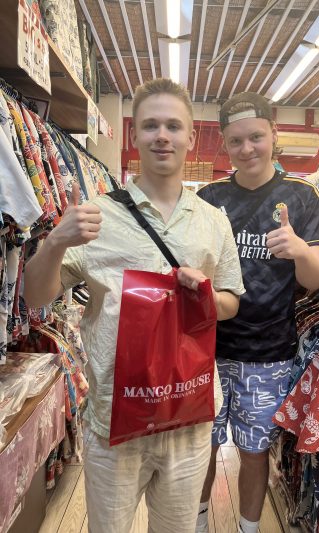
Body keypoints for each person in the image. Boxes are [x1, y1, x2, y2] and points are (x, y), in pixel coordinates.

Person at [23, 78, 245, 533]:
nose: (162, 136)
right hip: (114, 416)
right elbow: (35, 296)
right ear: (134, 135)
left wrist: (205, 293)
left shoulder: (213, 221)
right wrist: (55, 242)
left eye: (173, 126)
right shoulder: (96, 214)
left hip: (187, 412)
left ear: (191, 137)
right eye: (150, 126)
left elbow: (230, 304)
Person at [196, 92, 319, 533]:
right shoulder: (208, 197)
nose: (247, 148)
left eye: (256, 137)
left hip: (269, 353)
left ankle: (248, 528)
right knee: (200, 448)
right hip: (206, 349)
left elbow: (314, 281)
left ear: (274, 134)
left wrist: (299, 250)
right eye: (235, 141)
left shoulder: (303, 195)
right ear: (224, 143)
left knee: (254, 451)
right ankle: (196, 525)